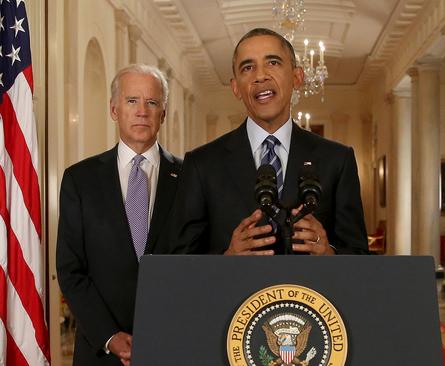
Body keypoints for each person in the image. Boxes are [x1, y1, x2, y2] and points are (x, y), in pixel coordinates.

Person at [169, 28, 367, 255]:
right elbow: (179, 262)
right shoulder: (200, 164)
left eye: (273, 62)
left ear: (297, 77)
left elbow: (358, 254)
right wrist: (226, 260)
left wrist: (330, 254)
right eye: (248, 67)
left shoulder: (337, 160)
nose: (260, 75)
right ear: (236, 87)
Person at [56, 64, 182, 365]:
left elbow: (197, 261)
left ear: (162, 114)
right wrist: (109, 336)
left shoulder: (189, 177)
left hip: (172, 347)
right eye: (132, 101)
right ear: (114, 110)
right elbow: (71, 269)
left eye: (152, 102)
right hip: (100, 351)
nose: (142, 111)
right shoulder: (80, 179)